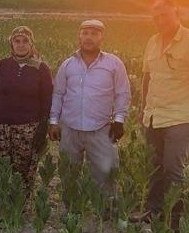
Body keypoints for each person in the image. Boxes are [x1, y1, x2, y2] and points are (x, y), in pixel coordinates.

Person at [134, 0, 189, 226]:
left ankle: (175, 219)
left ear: (177, 14)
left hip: (180, 116)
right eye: (156, 17)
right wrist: (143, 108)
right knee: (154, 166)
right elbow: (147, 76)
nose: (160, 21)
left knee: (173, 168)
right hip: (154, 115)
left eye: (165, 16)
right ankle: (153, 211)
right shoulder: (153, 41)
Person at [48, 20, 131, 204]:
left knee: (105, 171)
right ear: (79, 35)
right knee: (69, 172)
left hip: (100, 128)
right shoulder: (68, 65)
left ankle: (105, 210)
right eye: (85, 33)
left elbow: (122, 93)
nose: (88, 38)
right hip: (70, 129)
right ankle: (72, 211)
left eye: (94, 34)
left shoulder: (113, 64)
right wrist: (54, 121)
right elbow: (59, 94)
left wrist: (118, 120)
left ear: (102, 37)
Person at [0, 26, 53, 193]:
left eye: (25, 41)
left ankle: (19, 204)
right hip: (0, 127)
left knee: (23, 168)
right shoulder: (2, 65)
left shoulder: (41, 68)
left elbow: (47, 100)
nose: (21, 45)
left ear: (32, 44)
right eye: (17, 41)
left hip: (27, 128)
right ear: (11, 44)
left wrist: (43, 127)